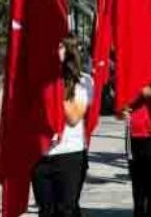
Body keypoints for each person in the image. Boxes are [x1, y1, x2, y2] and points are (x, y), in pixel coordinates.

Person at [32, 36, 92, 217]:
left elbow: (74, 117)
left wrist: (57, 85)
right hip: (41, 155)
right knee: (46, 211)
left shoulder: (84, 81)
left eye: (59, 47)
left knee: (67, 210)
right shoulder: (38, 78)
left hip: (69, 155)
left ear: (70, 51)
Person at [123, 79, 151, 217]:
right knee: (137, 180)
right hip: (132, 134)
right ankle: (139, 211)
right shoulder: (128, 79)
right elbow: (120, 103)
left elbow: (146, 92)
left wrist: (128, 93)